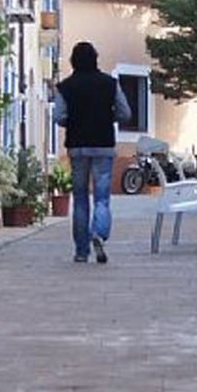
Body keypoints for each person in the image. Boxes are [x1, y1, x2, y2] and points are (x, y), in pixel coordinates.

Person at [52, 41, 131, 263]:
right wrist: (107, 117)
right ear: (95, 59)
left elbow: (58, 116)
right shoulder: (110, 84)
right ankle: (99, 233)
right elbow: (125, 113)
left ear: (73, 61)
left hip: (77, 146)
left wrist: (74, 120)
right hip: (103, 145)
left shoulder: (65, 87)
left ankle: (81, 251)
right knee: (102, 197)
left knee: (79, 198)